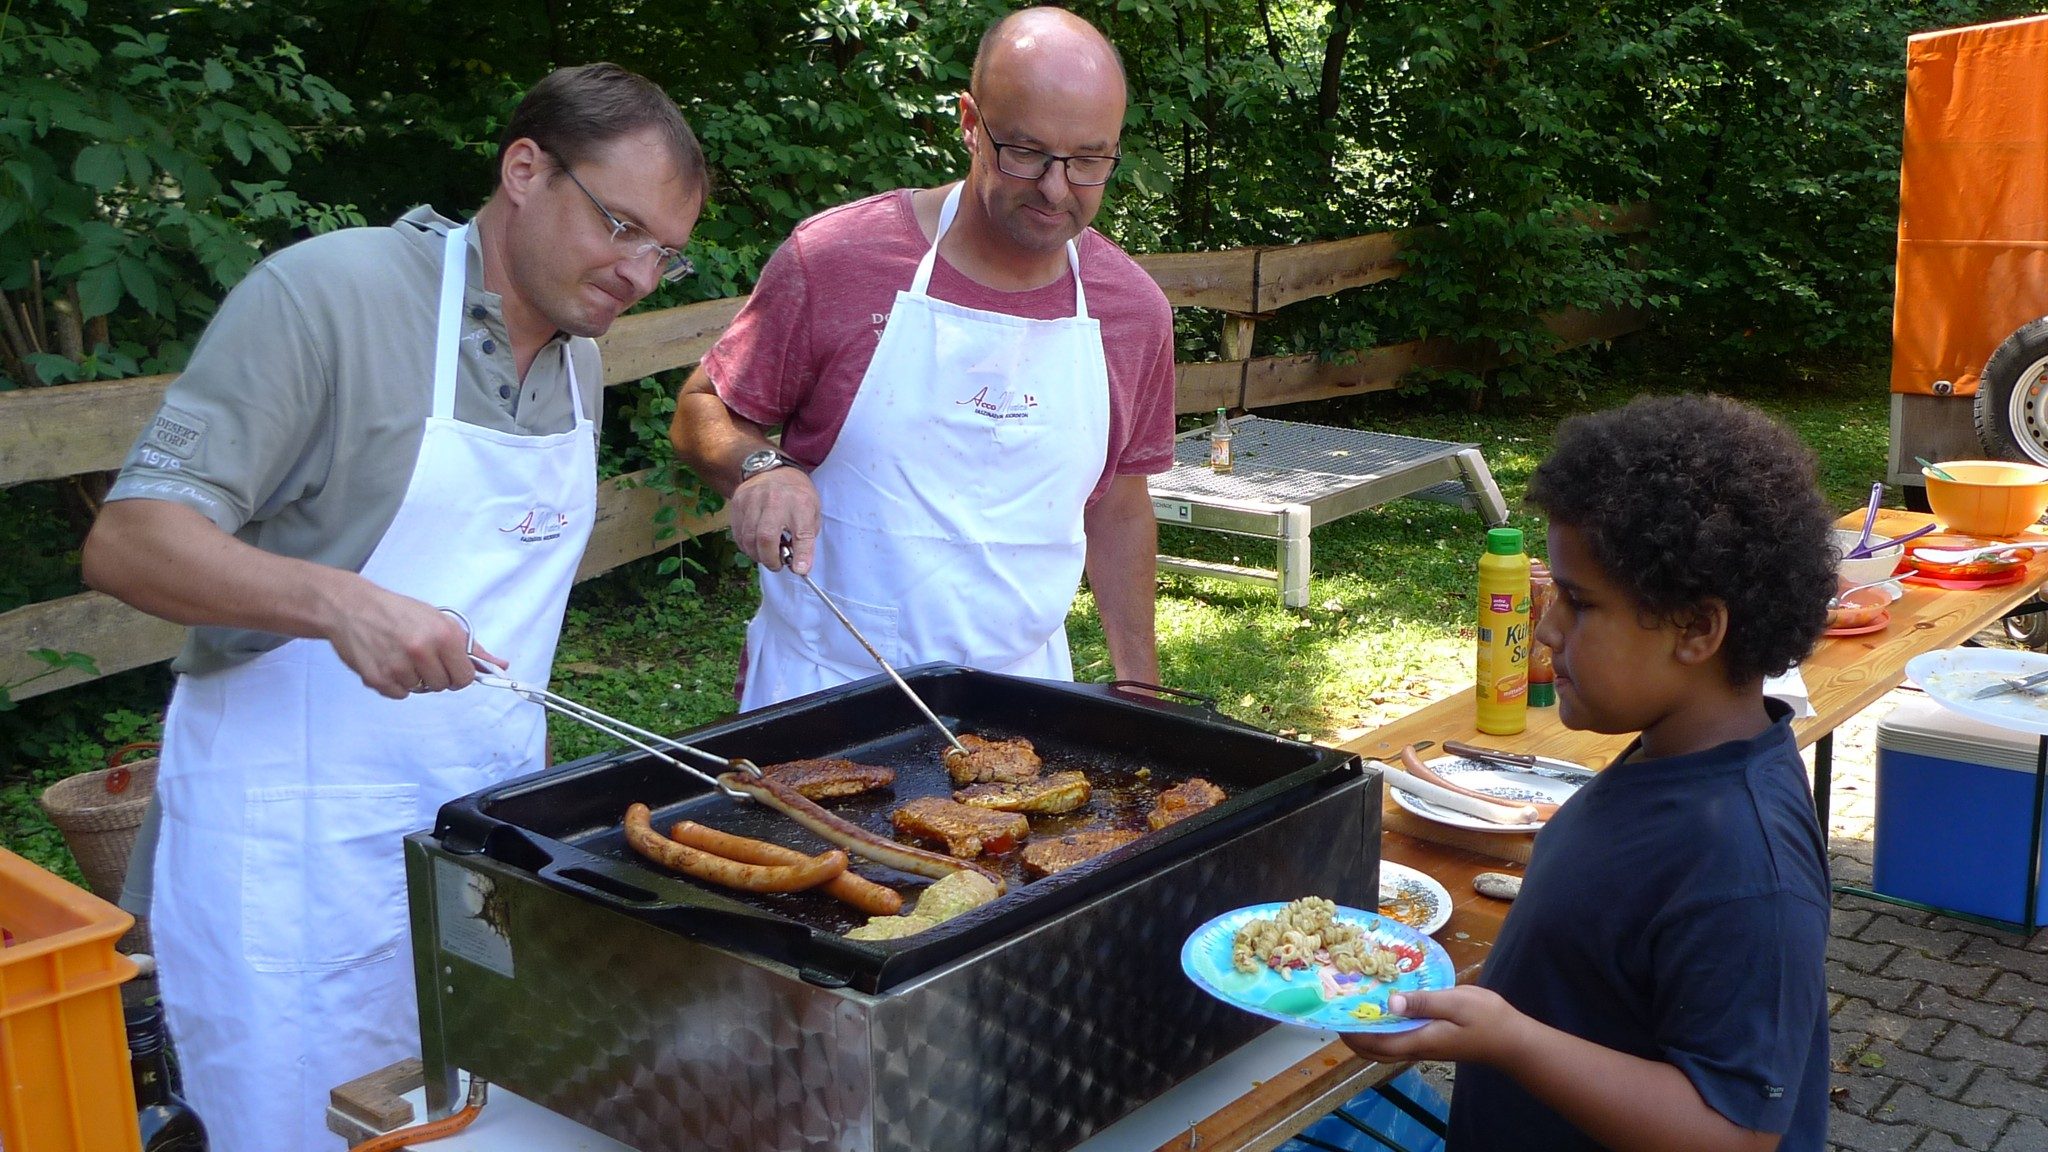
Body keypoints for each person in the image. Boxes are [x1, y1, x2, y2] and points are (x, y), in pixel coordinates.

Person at [80, 63, 705, 1152]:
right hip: (296, 854)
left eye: (666, 250)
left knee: (478, 1124)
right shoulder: (328, 297)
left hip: (479, 839)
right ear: (524, 169)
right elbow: (131, 541)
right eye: (620, 226)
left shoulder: (577, 361)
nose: (639, 272)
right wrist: (337, 603)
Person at [1346, 395, 1836, 1152]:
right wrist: (1460, 1007)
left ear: (1697, 629)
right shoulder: (1667, 756)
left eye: (1577, 603)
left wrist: (1511, 1042)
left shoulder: (1746, 865)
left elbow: (1734, 1134)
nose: (1545, 629)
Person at [669, 6, 1175, 709]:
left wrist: (1139, 695)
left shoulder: (1132, 311)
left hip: (1026, 701)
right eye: (1025, 152)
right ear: (970, 122)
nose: (1057, 188)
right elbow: (704, 408)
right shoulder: (837, 260)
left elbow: (1119, 504)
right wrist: (759, 468)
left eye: (1089, 160)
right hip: (823, 690)